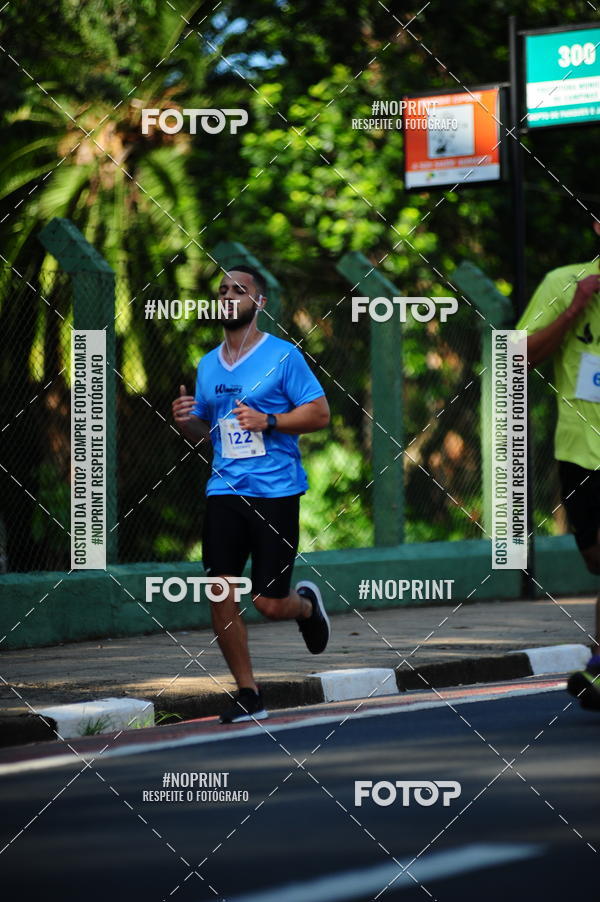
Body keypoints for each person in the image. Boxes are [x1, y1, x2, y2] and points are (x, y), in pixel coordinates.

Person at [172, 264, 331, 723]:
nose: (228, 296)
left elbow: (320, 414)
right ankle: (248, 692)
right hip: (224, 488)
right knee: (220, 588)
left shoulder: (283, 356)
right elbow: (210, 433)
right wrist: (186, 422)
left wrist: (270, 421)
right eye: (222, 290)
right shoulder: (208, 365)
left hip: (275, 491)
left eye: (239, 290)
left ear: (259, 303)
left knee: (267, 602)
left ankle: (304, 607)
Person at [516, 220, 600, 708]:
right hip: (581, 448)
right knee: (595, 560)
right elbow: (520, 356)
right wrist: (575, 309)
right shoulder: (565, 282)